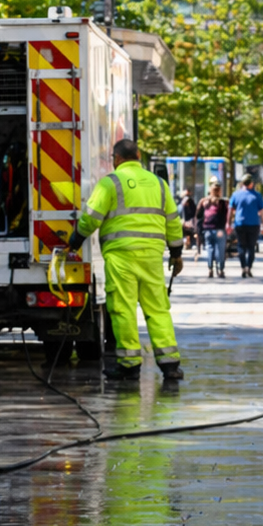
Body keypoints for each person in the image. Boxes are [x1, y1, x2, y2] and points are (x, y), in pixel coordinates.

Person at [64, 137, 184, 381]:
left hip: (121, 256)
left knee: (123, 309)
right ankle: (170, 365)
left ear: (116, 159)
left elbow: (92, 218)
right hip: (151, 255)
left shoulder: (111, 183)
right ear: (138, 157)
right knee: (158, 308)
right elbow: (173, 221)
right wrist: (176, 253)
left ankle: (129, 365)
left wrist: (75, 241)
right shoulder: (159, 184)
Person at [228, 174, 263, 279]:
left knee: (241, 246)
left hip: (240, 223)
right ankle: (248, 267)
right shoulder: (257, 195)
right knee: (251, 247)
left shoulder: (236, 195)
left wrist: (228, 223)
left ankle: (243, 267)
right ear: (251, 183)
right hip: (254, 224)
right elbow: (262, 211)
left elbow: (230, 210)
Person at [198, 180, 229, 278]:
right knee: (220, 249)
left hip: (207, 228)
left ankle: (210, 269)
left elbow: (198, 215)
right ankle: (220, 269)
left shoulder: (204, 202)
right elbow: (227, 215)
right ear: (219, 191)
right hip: (219, 229)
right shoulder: (223, 202)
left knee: (209, 248)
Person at [177, 186, 197, 252]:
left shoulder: (191, 204)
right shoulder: (180, 206)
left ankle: (192, 243)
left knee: (191, 230)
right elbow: (179, 214)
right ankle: (185, 243)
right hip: (183, 222)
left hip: (190, 222)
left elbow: (194, 213)